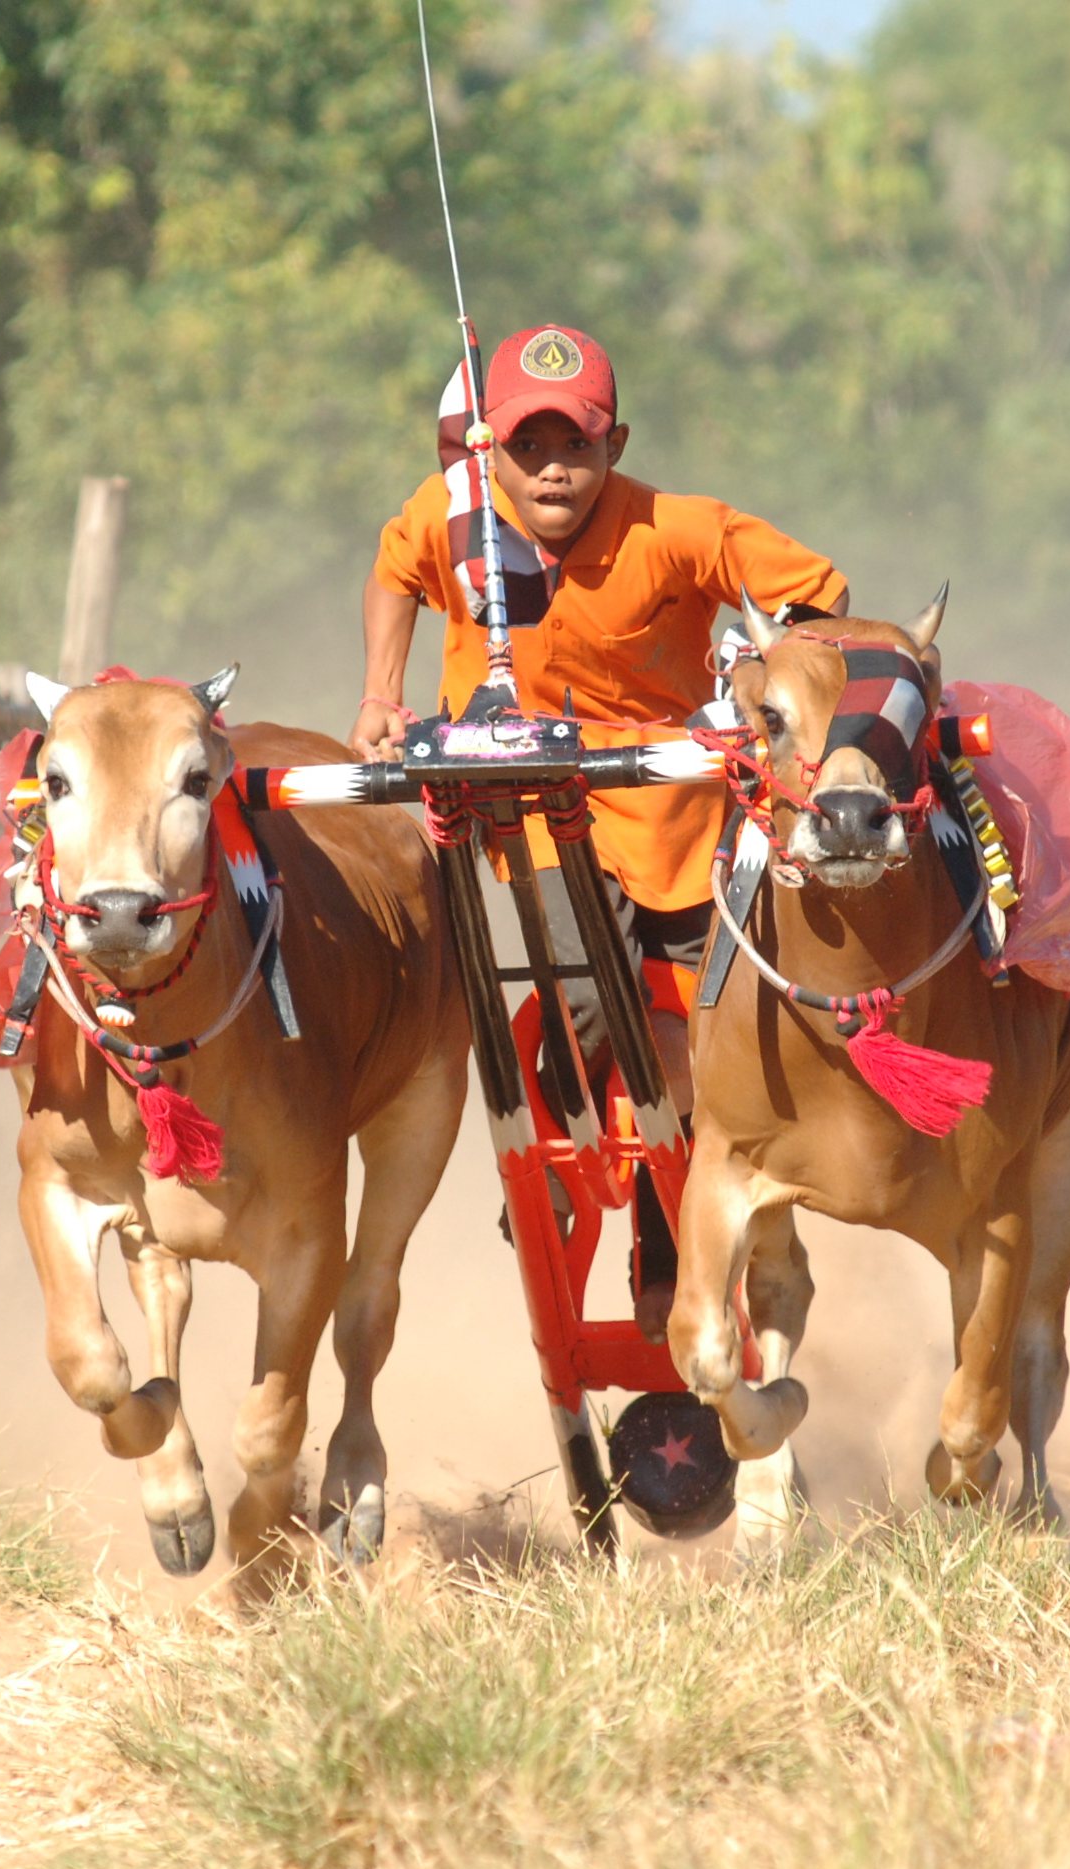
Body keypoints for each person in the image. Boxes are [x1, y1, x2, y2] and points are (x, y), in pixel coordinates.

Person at [356, 324, 848, 1328]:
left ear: (613, 445)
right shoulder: (450, 515)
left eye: (573, 444)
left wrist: (759, 680)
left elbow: (818, 595)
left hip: (672, 823)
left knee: (685, 1051)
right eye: (526, 445)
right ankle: (558, 1168)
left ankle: (666, 1250)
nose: (550, 468)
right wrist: (378, 693)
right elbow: (391, 573)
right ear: (489, 446)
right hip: (534, 820)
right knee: (584, 1005)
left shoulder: (677, 527)